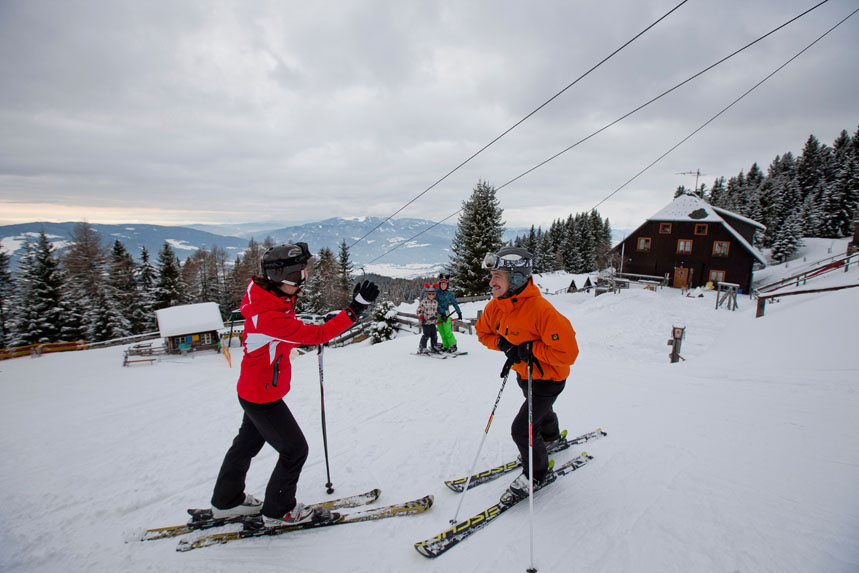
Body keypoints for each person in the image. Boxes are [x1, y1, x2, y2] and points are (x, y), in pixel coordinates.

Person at [209, 242, 379, 529]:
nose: (303, 283)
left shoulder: (265, 297)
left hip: (254, 391)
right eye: (298, 278)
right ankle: (279, 510)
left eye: (305, 275)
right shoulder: (269, 316)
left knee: (245, 445)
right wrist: (354, 310)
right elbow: (317, 335)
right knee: (295, 450)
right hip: (262, 397)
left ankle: (227, 501)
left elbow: (291, 332)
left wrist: (313, 327)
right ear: (278, 279)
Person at [474, 246, 579, 501]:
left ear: (517, 278)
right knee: (540, 412)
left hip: (550, 379)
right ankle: (551, 438)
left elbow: (568, 354)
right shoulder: (495, 307)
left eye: (497, 276)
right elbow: (483, 332)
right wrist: (503, 344)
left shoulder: (543, 312)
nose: (491, 282)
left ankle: (537, 474)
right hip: (525, 375)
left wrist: (531, 349)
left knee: (522, 429)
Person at [435, 273, 463, 353]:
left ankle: (453, 345)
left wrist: (459, 312)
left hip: (446, 314)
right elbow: (436, 304)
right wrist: (441, 313)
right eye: (442, 284)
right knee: (441, 331)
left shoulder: (449, 294)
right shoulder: (436, 293)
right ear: (439, 285)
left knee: (447, 331)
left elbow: (455, 303)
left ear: (447, 285)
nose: (443, 286)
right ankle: (445, 345)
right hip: (439, 315)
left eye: (445, 284)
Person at [416, 282, 442, 354]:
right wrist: (421, 317)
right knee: (426, 335)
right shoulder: (423, 302)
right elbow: (419, 310)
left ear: (434, 294)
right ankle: (422, 348)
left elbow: (436, 312)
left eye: (433, 294)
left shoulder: (435, 302)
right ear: (427, 294)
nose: (431, 295)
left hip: (433, 322)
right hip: (425, 322)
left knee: (434, 335)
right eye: (429, 294)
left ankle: (434, 347)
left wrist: (440, 315)